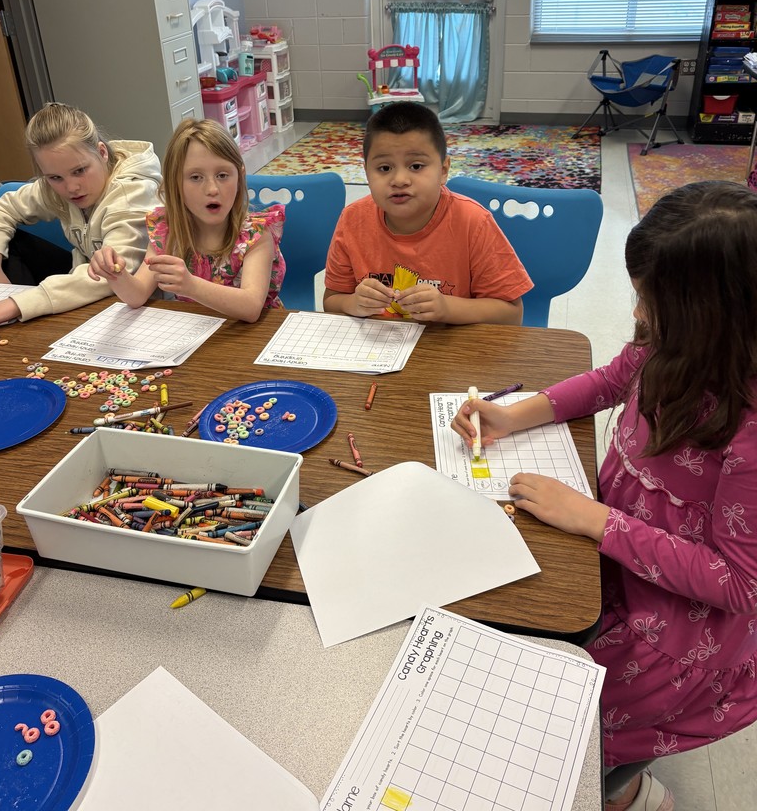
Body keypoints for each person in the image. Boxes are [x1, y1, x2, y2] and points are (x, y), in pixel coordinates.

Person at [452, 180, 757, 811]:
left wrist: (597, 520)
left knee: (579, 737)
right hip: (612, 565)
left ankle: (622, 790)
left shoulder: (748, 429)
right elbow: (612, 378)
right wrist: (516, 414)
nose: (639, 315)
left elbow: (736, 584)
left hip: (670, 633)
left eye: (653, 301)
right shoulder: (669, 344)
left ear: (716, 316)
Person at [323, 102, 532, 324]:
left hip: (450, 349)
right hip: (378, 349)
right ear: (366, 173)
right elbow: (331, 300)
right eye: (384, 168)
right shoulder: (353, 219)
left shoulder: (473, 222)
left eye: (416, 166)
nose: (399, 180)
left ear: (443, 170)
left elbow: (512, 314)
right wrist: (352, 303)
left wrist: (447, 308)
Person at [89, 117, 285, 322]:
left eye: (223, 175)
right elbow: (137, 295)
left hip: (256, 336)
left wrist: (191, 286)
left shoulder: (255, 235)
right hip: (196, 332)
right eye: (196, 177)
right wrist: (115, 274)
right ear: (176, 184)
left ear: (240, 176)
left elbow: (251, 307)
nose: (212, 189)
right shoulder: (167, 232)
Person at [0, 102, 161, 325]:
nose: (71, 188)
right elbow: (4, 207)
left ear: (101, 152)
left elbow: (111, 275)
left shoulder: (131, 195)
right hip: (82, 284)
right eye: (54, 177)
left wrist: (16, 304)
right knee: (7, 248)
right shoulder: (55, 188)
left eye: (79, 171)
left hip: (137, 308)